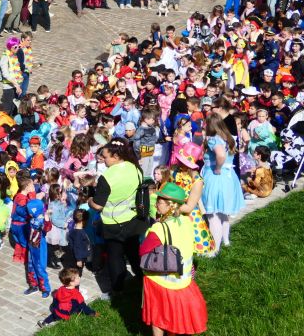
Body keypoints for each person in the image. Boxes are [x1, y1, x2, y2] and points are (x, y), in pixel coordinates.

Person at [141, 183, 208, 336]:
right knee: (175, 315)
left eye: (159, 201)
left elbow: (143, 251)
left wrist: (150, 231)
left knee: (158, 316)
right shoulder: (187, 221)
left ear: (170, 205)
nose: (156, 203)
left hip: (162, 280)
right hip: (183, 277)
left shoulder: (159, 228)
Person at [88, 138, 145, 296]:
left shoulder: (107, 176)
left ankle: (118, 288)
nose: (104, 160)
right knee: (133, 251)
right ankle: (141, 277)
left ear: (115, 156)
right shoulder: (135, 168)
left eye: (106, 157)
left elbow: (98, 205)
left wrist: (89, 200)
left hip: (113, 223)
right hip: (133, 219)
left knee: (115, 256)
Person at [201, 113, 245, 254]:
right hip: (229, 177)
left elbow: (220, 155)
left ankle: (214, 249)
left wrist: (217, 168)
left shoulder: (214, 139)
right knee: (223, 211)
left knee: (212, 213)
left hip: (216, 176)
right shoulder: (229, 138)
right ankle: (225, 240)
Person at [0, 37, 24, 116]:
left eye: (18, 46)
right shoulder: (5, 57)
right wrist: (16, 85)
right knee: (8, 108)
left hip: (16, 85)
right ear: (10, 47)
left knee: (14, 108)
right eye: (15, 47)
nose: (17, 48)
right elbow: (6, 74)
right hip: (8, 87)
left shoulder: (14, 55)